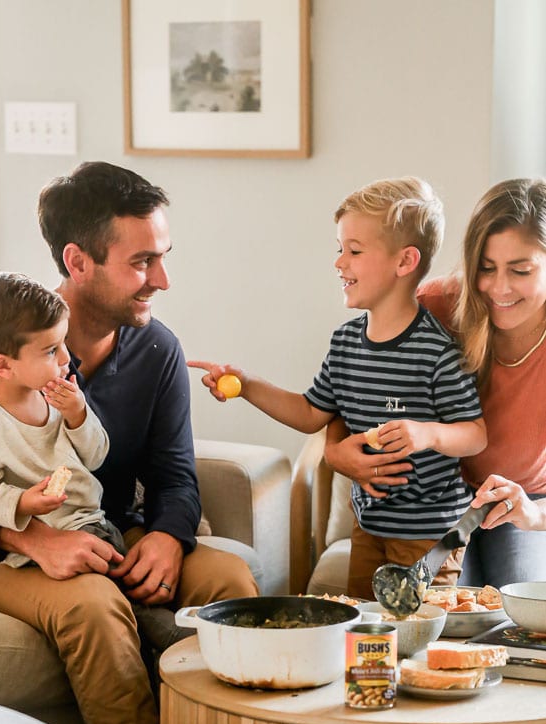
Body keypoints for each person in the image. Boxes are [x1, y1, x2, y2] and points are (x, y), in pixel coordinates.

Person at [0, 161, 258, 724]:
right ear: (77, 261)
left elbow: (174, 473)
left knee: (231, 583)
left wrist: (172, 539)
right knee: (90, 605)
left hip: (107, 530)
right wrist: (32, 536)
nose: (162, 279)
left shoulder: (157, 350)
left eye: (163, 257)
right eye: (141, 261)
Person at [190, 177, 487, 599]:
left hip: (429, 536)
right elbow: (311, 413)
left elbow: (475, 434)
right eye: (339, 249)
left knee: (414, 637)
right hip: (368, 526)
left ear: (405, 262)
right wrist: (246, 385)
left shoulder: (436, 351)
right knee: (364, 638)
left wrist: (428, 433)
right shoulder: (346, 342)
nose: (339, 263)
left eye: (354, 251)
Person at [416, 177, 546, 585]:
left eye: (520, 270)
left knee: (516, 612)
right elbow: (353, 378)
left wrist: (534, 513)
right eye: (485, 269)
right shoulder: (434, 308)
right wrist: (338, 451)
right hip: (437, 499)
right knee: (439, 609)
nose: (499, 288)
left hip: (524, 501)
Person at [0, 272, 126, 568]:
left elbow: (96, 458)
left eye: (63, 343)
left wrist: (78, 416)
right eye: (50, 350)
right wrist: (20, 503)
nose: (65, 358)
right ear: (4, 365)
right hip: (40, 544)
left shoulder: (60, 397)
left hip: (93, 523)